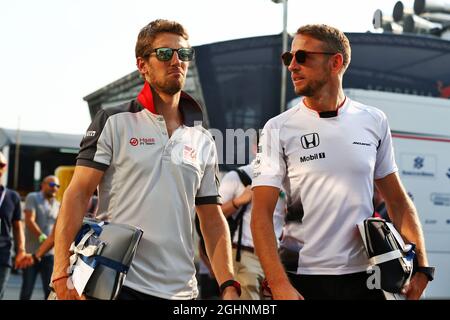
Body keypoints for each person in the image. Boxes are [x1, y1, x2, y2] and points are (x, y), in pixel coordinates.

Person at [52, 19, 239, 300]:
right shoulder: (113, 120)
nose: (176, 61)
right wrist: (60, 272)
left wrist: (228, 284)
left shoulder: (203, 140)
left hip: (182, 291)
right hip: (115, 282)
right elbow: (77, 194)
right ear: (143, 66)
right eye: (165, 53)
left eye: (184, 54)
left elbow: (212, 220)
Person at [251, 24, 433, 300]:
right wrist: (278, 283)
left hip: (366, 278)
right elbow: (261, 214)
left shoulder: (374, 120)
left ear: (335, 62)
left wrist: (422, 267)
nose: (292, 67)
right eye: (289, 58)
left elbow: (397, 201)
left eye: (302, 57)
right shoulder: (278, 127)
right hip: (301, 277)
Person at [220, 161, 286, 299]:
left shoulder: (287, 179)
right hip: (245, 255)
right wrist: (237, 202)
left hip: (276, 258)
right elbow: (213, 215)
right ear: (256, 147)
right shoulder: (237, 176)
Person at [20, 175, 60, 300]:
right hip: (31, 253)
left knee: (48, 291)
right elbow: (29, 220)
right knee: (27, 289)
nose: (55, 188)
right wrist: (42, 236)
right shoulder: (33, 197)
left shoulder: (58, 204)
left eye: (57, 186)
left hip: (49, 255)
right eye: (52, 185)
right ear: (43, 185)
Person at [0, 152, 32, 299]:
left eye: (2, 165)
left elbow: (18, 227)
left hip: (3, 255)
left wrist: (21, 251)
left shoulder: (12, 196)